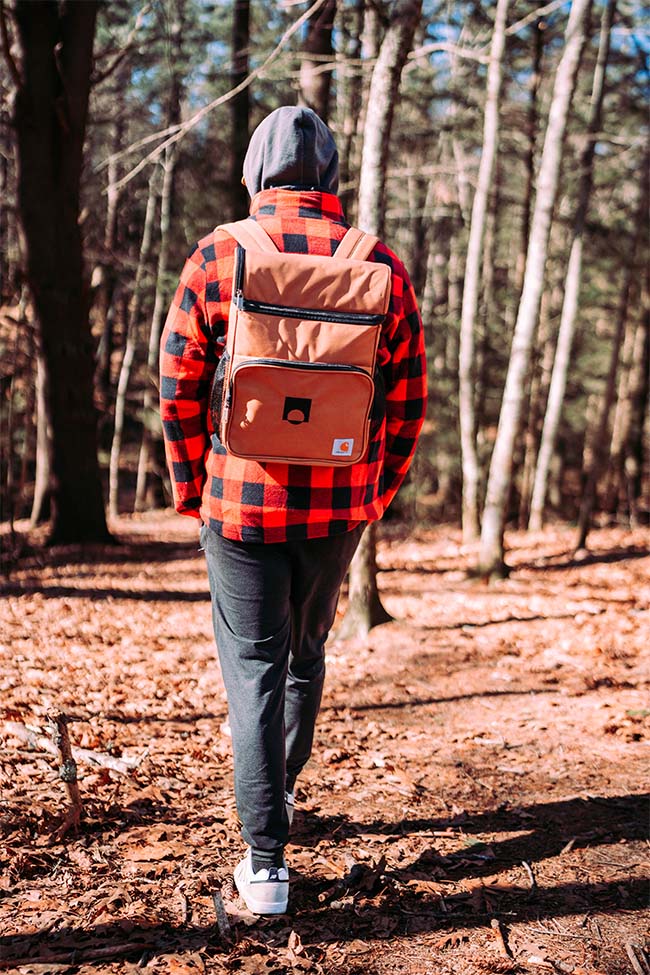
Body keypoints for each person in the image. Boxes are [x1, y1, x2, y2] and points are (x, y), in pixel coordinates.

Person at [160, 106, 427, 915]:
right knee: (305, 656)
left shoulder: (219, 253)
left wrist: (190, 480)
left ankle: (266, 861)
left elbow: (177, 383)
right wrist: (374, 493)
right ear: (331, 179)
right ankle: (279, 798)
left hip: (240, 504)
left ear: (253, 174)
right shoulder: (380, 262)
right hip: (338, 506)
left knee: (253, 671)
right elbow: (409, 400)